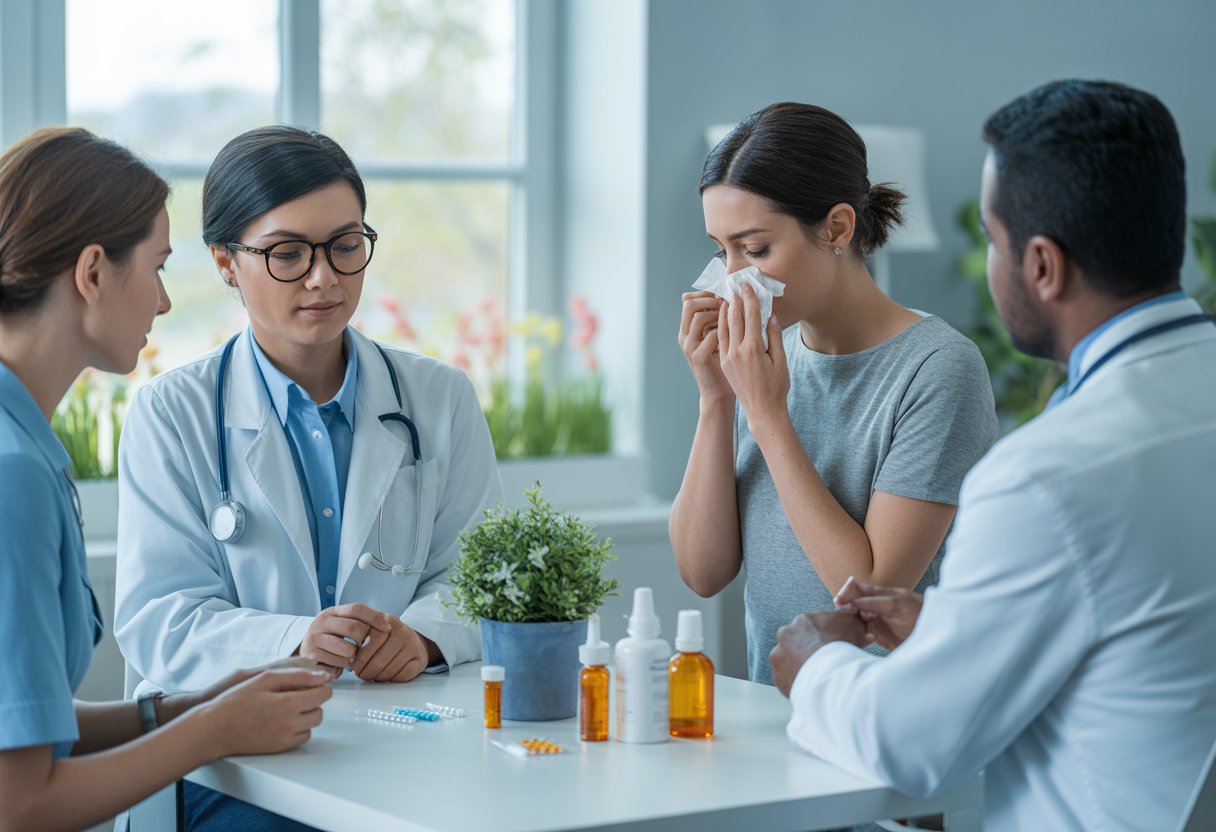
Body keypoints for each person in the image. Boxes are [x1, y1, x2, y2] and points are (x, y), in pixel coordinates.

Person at [769, 80, 1216, 832]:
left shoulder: (1046, 478)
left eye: (989, 238)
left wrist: (814, 667)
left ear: (1041, 265)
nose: (988, 263)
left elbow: (911, 746)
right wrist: (960, 623)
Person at [113, 126, 502, 830]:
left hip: (405, 742)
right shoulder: (171, 414)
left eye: (346, 246)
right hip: (230, 765)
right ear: (226, 263)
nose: (323, 277)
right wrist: (296, 638)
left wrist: (421, 638)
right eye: (287, 254)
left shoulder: (438, 398)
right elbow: (161, 622)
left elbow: (481, 577)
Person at [0, 127, 332, 832]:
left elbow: (29, 726)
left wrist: (180, 709)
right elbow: (18, 805)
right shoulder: (12, 477)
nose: (162, 302)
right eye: (157, 268)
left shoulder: (22, 446)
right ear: (92, 273)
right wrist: (214, 733)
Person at [671, 102, 998, 684]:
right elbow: (702, 571)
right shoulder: (762, 362)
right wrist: (716, 399)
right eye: (723, 251)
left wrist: (769, 415)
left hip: (882, 720)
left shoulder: (940, 369)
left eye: (756, 249)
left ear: (837, 228)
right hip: (776, 721)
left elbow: (868, 595)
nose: (734, 277)